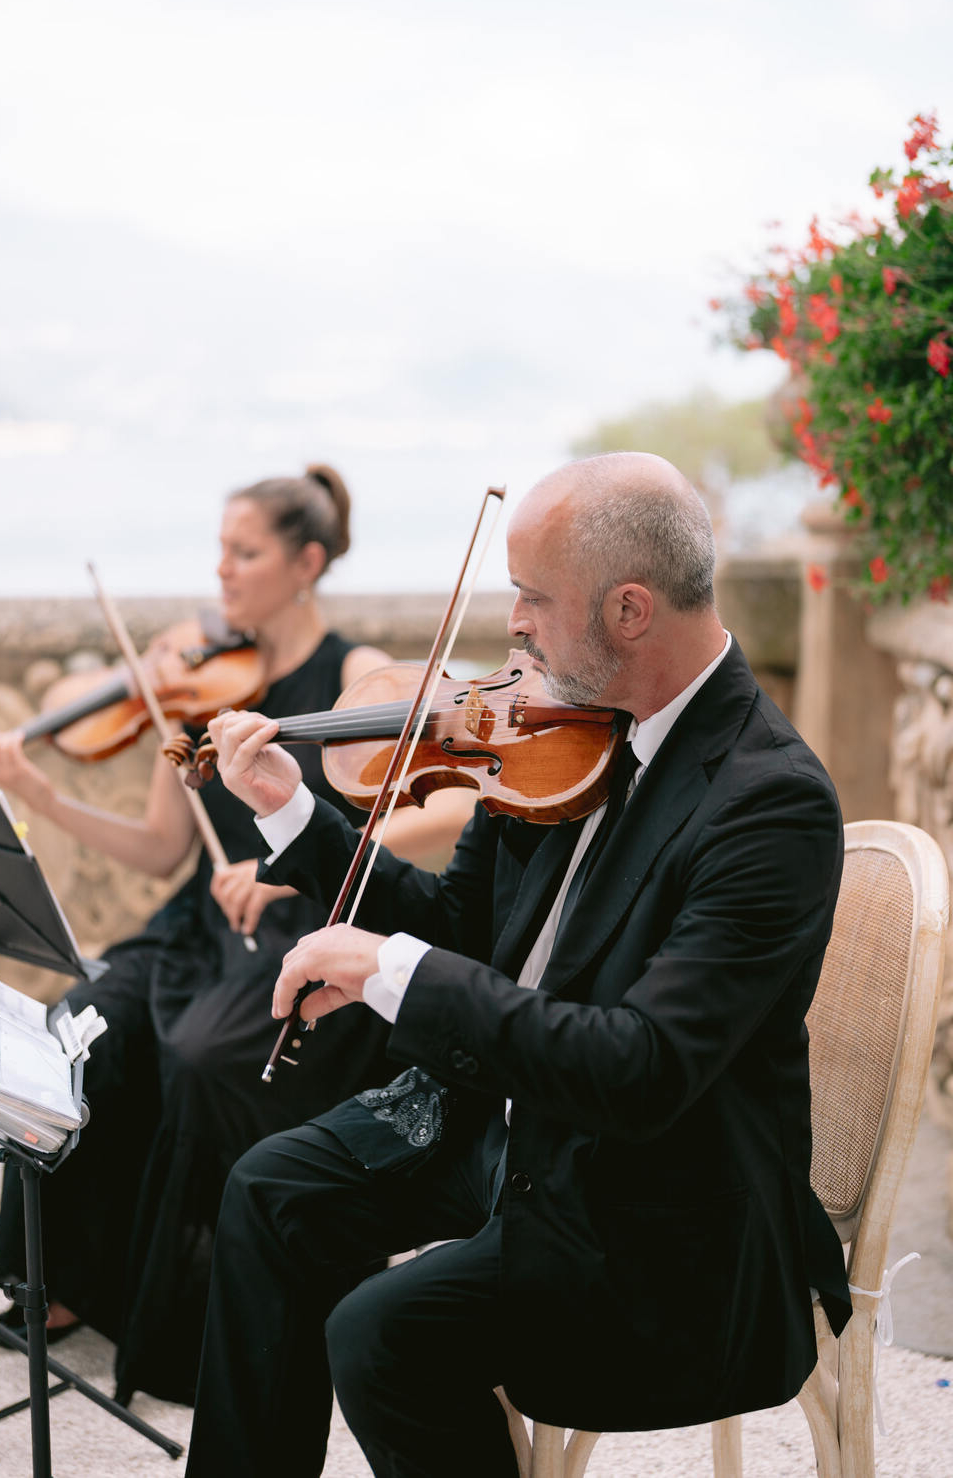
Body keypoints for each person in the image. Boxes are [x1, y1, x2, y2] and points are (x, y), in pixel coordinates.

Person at [184, 450, 853, 1478]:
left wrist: (384, 971)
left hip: (654, 1210)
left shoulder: (767, 804)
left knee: (382, 1332)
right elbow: (455, 929)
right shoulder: (553, 732)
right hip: (507, 1128)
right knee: (271, 1192)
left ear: (629, 611)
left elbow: (639, 1068)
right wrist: (288, 808)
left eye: (534, 598)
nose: (515, 627)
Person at [0, 463, 476, 1408]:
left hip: (302, 928)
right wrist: (40, 794)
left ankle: (197, 1316)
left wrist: (299, 853)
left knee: (204, 1056)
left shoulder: (360, 674)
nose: (224, 572)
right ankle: (70, 1280)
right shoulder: (205, 684)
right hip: (198, 926)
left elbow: (449, 804)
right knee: (83, 1025)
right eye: (221, 550)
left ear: (308, 561)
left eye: (245, 552)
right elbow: (164, 850)